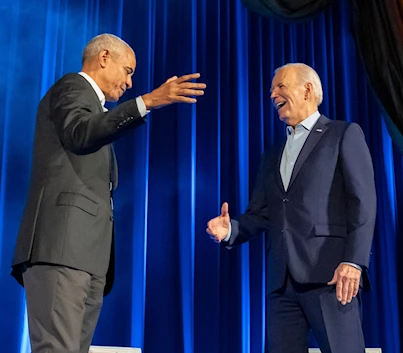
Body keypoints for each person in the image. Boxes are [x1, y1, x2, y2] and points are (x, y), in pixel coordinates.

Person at [11, 33, 206, 353]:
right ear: (104, 58)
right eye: (128, 70)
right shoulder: (72, 86)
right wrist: (148, 101)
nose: (130, 82)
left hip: (88, 256)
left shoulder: (95, 109)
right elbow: (81, 133)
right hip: (61, 249)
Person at [206, 63, 376, 353]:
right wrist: (231, 229)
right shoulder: (273, 154)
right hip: (281, 282)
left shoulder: (342, 134)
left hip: (332, 275)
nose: (272, 94)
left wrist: (354, 261)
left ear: (307, 89)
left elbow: (363, 201)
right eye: (273, 89)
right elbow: (261, 213)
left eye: (280, 86)